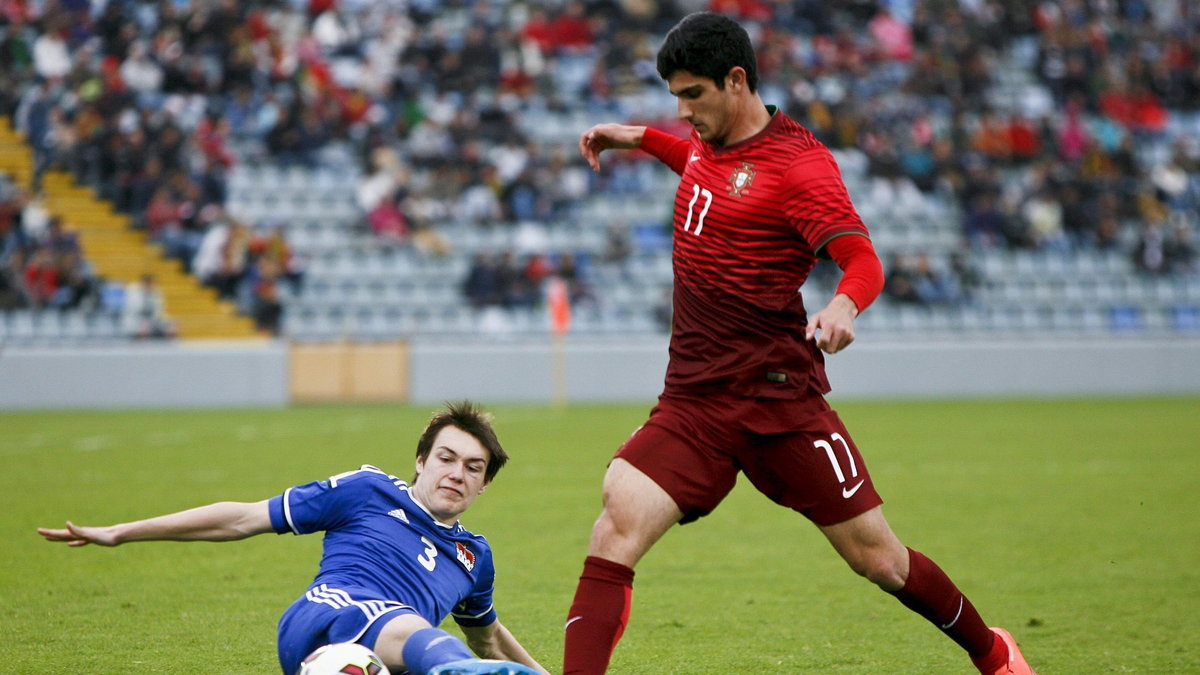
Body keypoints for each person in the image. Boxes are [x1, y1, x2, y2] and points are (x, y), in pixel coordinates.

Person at [564, 12, 1035, 675]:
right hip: (695, 400)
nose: (682, 110)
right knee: (616, 522)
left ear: (736, 80)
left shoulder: (799, 167)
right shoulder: (707, 138)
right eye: (674, 96)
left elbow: (861, 256)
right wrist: (637, 137)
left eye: (692, 94)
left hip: (780, 399)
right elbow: (697, 162)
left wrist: (844, 303)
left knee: (879, 558)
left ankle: (994, 652)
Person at [39, 401, 549, 675]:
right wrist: (123, 532)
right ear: (420, 460)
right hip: (329, 615)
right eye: (446, 458)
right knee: (410, 632)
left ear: (484, 485)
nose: (457, 473)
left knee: (432, 653)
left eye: (473, 468)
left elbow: (487, 639)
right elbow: (241, 518)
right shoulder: (367, 490)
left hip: (396, 654)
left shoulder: (473, 558)